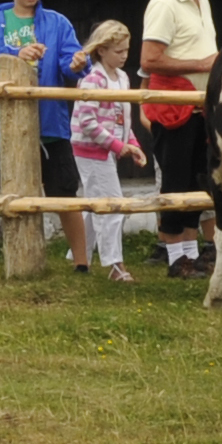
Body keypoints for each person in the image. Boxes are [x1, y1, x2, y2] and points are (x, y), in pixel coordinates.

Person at [0, 0, 89, 267]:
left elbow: (71, 60)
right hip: (5, 124)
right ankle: (19, 259)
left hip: (50, 122)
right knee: (14, 194)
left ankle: (81, 262)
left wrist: (78, 63)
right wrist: (15, 52)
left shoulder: (58, 22)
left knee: (64, 193)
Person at [137, 0, 221, 276]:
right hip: (174, 106)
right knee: (174, 180)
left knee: (196, 180)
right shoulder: (164, 3)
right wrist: (202, 65)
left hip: (199, 108)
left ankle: (190, 254)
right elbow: (150, 59)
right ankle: (175, 258)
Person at [70, 21, 146, 278]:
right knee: (112, 204)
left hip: (107, 150)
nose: (124, 56)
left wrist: (132, 144)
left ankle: (80, 255)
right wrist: (117, 145)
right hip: (90, 150)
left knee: (95, 204)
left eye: (126, 50)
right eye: (118, 51)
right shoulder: (93, 80)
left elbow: (122, 117)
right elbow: (87, 122)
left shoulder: (123, 79)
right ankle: (114, 264)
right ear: (101, 51)